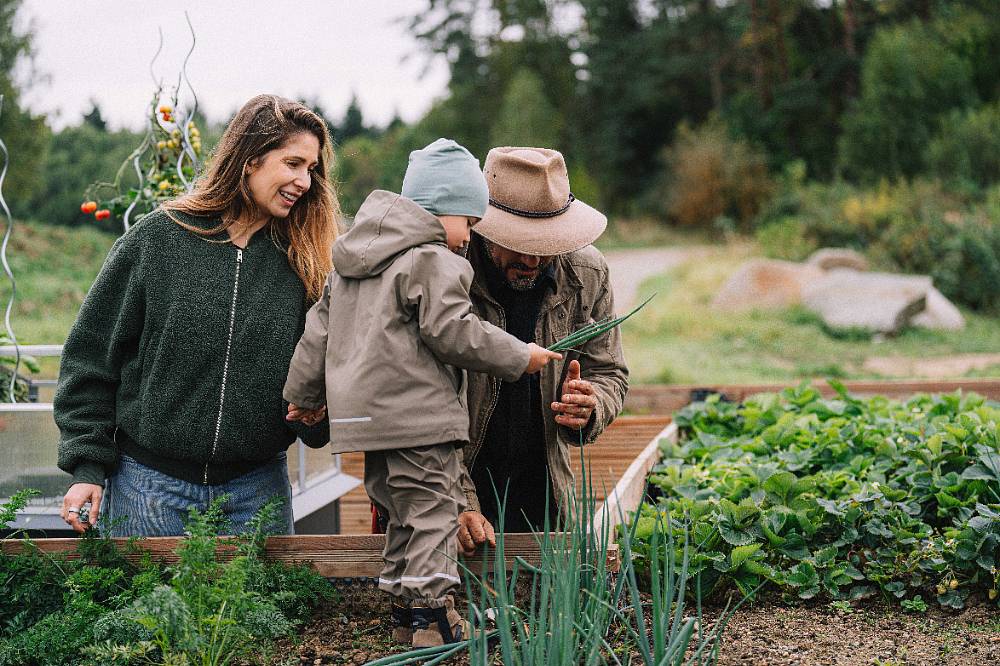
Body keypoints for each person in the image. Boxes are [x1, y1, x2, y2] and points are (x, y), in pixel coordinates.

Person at [283, 138, 560, 647]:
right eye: (469, 223)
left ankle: (406, 609)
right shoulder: (433, 259)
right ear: (442, 210)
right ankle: (434, 617)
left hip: (368, 424)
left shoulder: (351, 263)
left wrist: (302, 395)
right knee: (434, 510)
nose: (467, 237)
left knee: (399, 511)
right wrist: (522, 356)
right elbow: (454, 330)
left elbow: (316, 333)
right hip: (418, 417)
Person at [55, 95, 335, 537]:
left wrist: (320, 413)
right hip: (148, 488)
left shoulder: (306, 263)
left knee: (256, 610)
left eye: (311, 169)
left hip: (257, 492)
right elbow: (91, 359)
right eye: (293, 163)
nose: (305, 181)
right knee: (143, 609)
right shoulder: (160, 239)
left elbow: (324, 375)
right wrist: (87, 467)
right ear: (250, 160)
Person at [455, 146, 629, 553]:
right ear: (483, 226)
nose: (531, 258)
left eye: (545, 242)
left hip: (544, 490)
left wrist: (590, 406)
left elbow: (610, 373)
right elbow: (415, 408)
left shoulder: (587, 274)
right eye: (517, 242)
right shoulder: (448, 272)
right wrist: (457, 501)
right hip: (457, 489)